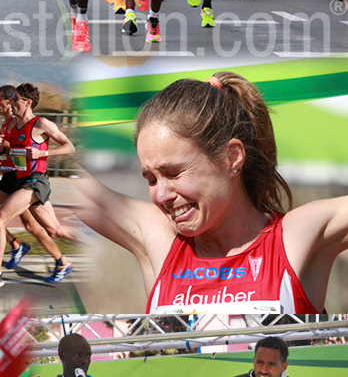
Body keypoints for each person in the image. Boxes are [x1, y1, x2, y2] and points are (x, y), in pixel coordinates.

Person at [81, 69, 348, 313]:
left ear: (232, 157)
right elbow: (57, 185)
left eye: (174, 173)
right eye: (151, 179)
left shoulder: (297, 235)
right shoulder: (158, 238)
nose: (161, 196)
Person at [0, 84, 74, 286]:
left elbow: (69, 146)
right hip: (18, 179)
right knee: (55, 230)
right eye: (8, 99)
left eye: (12, 99)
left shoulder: (39, 123)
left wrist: (42, 153)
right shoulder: (13, 125)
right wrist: (2, 154)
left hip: (34, 181)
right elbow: (14, 153)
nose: (8, 103)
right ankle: (78, 253)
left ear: (26, 102)